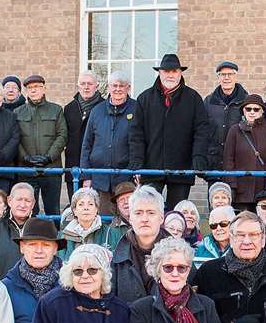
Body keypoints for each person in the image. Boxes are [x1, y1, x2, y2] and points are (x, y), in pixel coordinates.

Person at [129, 53, 211, 209]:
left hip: (181, 167)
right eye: (166, 71)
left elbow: (201, 131)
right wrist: (137, 162)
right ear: (160, 73)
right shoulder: (144, 99)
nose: (170, 75)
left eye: (174, 71)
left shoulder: (193, 98)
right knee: (150, 209)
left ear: (180, 73)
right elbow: (136, 134)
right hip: (151, 167)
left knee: (177, 213)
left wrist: (198, 157)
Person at [79, 72, 136, 209]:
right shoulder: (97, 111)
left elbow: (141, 142)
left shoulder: (137, 109)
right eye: (114, 85)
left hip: (126, 178)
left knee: (127, 219)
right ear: (108, 87)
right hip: (100, 178)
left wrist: (137, 171)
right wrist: (86, 176)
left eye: (121, 86)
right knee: (103, 220)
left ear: (128, 88)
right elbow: (87, 144)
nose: (117, 89)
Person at [15, 74, 66, 214]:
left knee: (53, 209)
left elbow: (62, 135)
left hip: (51, 169)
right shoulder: (18, 112)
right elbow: (15, 139)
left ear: (44, 89)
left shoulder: (56, 110)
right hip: (27, 170)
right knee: (28, 210)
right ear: (25, 91)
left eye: (37, 87)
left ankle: (54, 235)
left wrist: (49, 157)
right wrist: (26, 158)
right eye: (30, 88)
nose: (33, 90)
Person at [110, 185, 166, 303]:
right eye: (138, 213)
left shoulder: (180, 255)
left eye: (151, 213)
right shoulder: (115, 258)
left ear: (161, 218)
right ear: (130, 218)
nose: (144, 219)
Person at [223, 92, 266, 205]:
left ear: (262, 111)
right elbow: (228, 159)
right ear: (243, 111)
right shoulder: (235, 130)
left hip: (263, 187)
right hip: (241, 188)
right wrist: (232, 185)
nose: (252, 112)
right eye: (248, 109)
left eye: (256, 109)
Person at [61, 71, 104, 209]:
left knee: (95, 207)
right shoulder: (69, 108)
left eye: (90, 84)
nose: (86, 87)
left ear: (96, 86)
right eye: (83, 84)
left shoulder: (103, 107)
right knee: (75, 207)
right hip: (73, 165)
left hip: (96, 166)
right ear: (78, 86)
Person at [203, 60, 250, 172]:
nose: (226, 78)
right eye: (223, 74)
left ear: (236, 76)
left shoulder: (246, 101)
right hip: (214, 161)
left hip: (238, 161)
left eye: (230, 74)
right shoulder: (209, 101)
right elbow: (203, 129)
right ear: (218, 77)